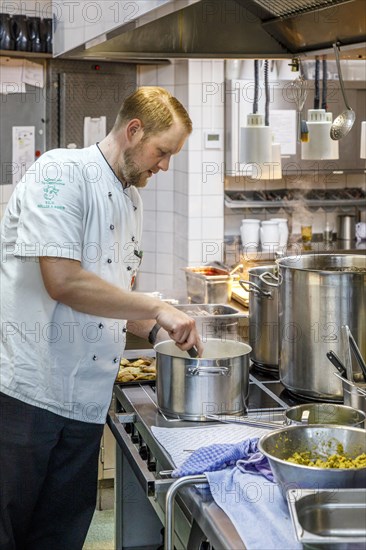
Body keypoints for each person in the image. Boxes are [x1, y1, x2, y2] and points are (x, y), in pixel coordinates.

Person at [0, 86, 203, 550]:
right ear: (134, 131)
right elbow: (64, 282)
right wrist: (156, 306)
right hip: (27, 396)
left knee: (60, 537)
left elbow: (113, 298)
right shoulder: (60, 173)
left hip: (86, 405)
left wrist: (161, 331)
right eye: (162, 152)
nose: (164, 166)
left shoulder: (132, 201)